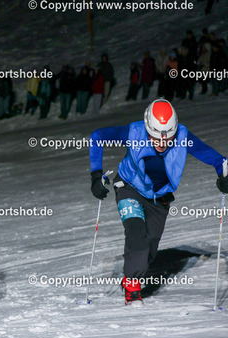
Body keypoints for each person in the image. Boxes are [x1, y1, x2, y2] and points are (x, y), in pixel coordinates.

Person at [88, 99, 228, 305]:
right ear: (148, 128)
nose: (162, 143)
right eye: (156, 137)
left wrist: (224, 174)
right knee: (136, 233)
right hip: (129, 188)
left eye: (167, 138)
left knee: (149, 248)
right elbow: (97, 136)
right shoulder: (134, 132)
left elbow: (217, 159)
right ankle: (132, 288)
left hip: (158, 198)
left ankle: (133, 273)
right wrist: (96, 175)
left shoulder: (182, 136)